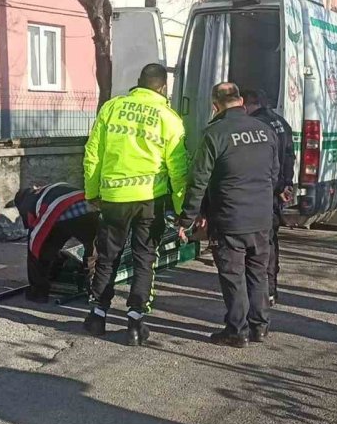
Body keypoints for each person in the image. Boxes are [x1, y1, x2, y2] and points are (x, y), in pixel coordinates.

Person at [82, 63, 188, 346]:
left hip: (113, 198)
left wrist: (92, 192)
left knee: (107, 257)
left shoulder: (112, 108)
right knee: (144, 258)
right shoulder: (169, 117)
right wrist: (181, 210)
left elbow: (93, 154)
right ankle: (135, 321)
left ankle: (97, 316)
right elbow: (178, 168)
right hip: (149, 200)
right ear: (163, 87)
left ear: (138, 82)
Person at [177, 82, 279, 348]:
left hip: (230, 218)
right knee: (258, 273)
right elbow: (274, 174)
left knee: (233, 276)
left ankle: (237, 331)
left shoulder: (215, 134)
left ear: (215, 105)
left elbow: (199, 180)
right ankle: (260, 327)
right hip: (261, 218)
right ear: (241, 101)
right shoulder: (265, 131)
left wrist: (187, 219)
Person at [243, 89, 295, 306]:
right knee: (272, 241)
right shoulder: (281, 122)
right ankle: (271, 289)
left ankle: (262, 290)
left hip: (264, 191)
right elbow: (290, 156)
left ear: (246, 105)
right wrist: (287, 184)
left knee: (261, 246)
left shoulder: (257, 126)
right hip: (277, 190)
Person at [12, 183, 99, 303]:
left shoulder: (26, 201)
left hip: (62, 211)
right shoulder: (48, 188)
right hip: (88, 208)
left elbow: (34, 235)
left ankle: (38, 293)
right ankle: (96, 292)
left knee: (37, 249)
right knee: (92, 251)